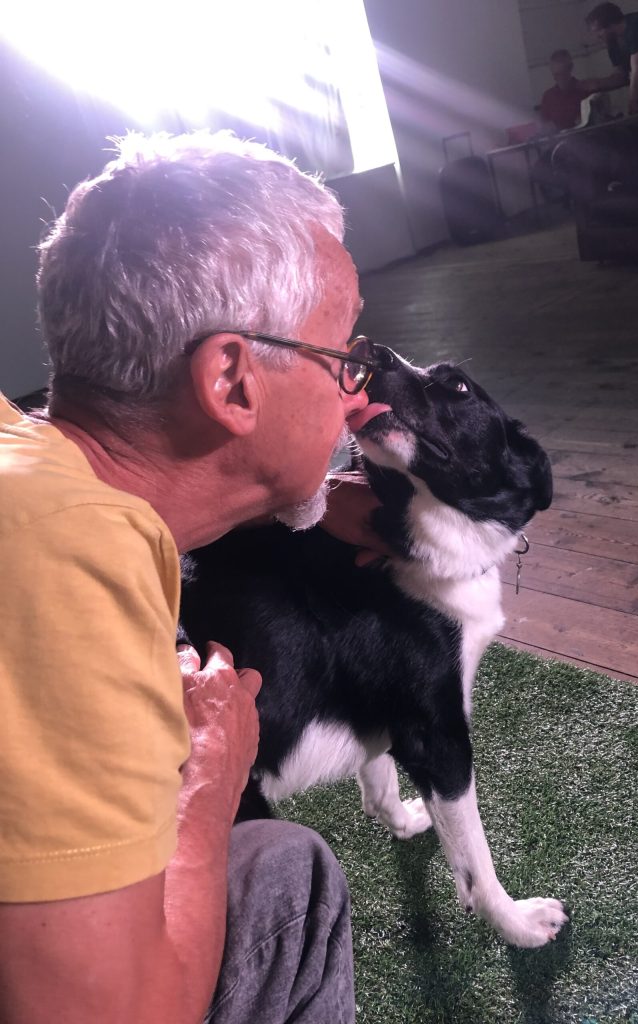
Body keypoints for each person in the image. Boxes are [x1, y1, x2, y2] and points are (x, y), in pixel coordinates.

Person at [0, 131, 386, 1023]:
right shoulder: (67, 556)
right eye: (344, 360)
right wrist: (212, 773)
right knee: (287, 873)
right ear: (232, 382)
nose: (357, 398)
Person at [539, 49, 593, 133]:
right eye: (556, 75)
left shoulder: (585, 90)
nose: (560, 79)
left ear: (570, 68)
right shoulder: (548, 97)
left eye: (563, 74)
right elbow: (545, 126)